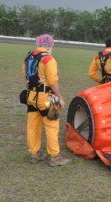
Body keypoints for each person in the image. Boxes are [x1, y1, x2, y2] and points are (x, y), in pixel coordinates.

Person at [22, 34, 71, 167]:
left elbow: (25, 76)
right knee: (52, 125)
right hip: (46, 98)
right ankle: (55, 157)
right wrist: (60, 97)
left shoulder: (28, 57)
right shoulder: (48, 59)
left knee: (33, 125)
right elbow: (53, 81)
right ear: (49, 45)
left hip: (31, 97)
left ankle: (34, 154)